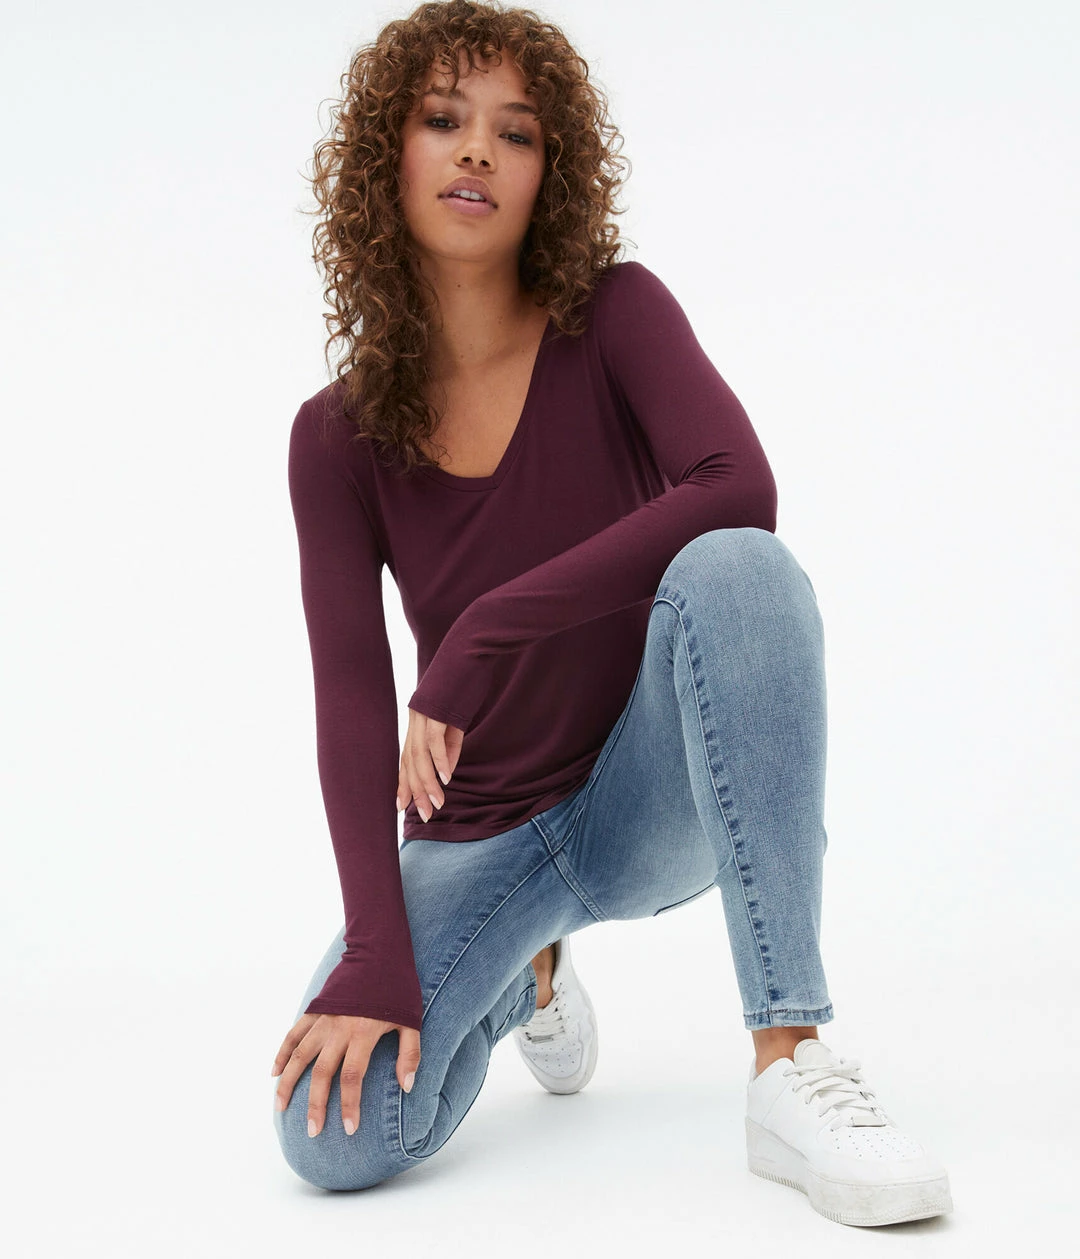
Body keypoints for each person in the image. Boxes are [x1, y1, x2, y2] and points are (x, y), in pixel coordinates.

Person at [270, 0, 952, 1227]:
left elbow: (739, 485)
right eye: (443, 120)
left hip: (654, 793)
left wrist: (485, 631)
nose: (477, 150)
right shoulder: (335, 438)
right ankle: (529, 974)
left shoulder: (616, 315)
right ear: (389, 156)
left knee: (738, 568)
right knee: (333, 1129)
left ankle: (789, 1059)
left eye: (515, 132)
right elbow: (351, 701)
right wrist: (376, 945)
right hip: (483, 831)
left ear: (551, 173)